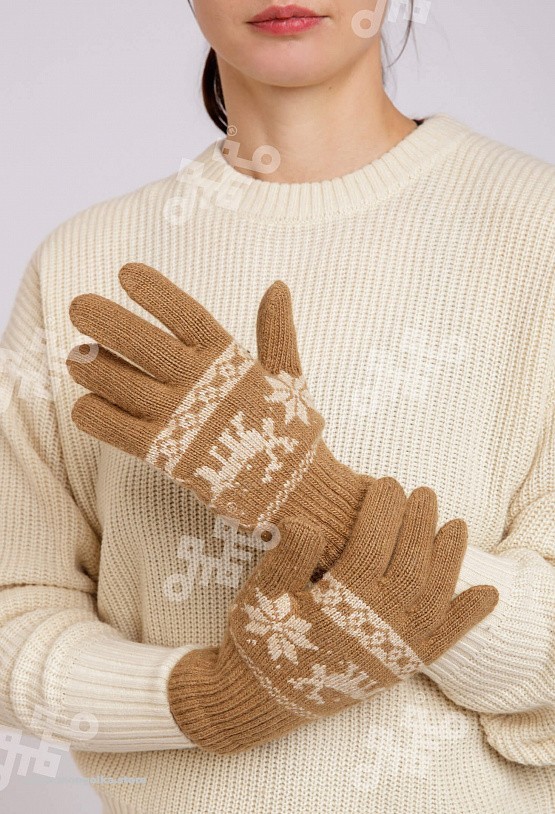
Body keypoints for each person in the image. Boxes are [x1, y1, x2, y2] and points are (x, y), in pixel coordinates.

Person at [1, 1, 554, 812]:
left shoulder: (537, 232)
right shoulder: (82, 261)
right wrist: (214, 700)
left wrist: (314, 503)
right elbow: (15, 618)